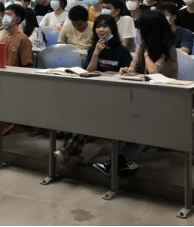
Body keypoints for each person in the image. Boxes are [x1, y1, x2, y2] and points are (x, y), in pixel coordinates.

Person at [93, 11, 179, 179]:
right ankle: (123, 162)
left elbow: (154, 72)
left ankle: (117, 161)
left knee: (143, 122)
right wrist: (128, 70)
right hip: (143, 95)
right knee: (126, 118)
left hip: (165, 98)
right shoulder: (143, 45)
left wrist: (146, 52)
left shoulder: (169, 49)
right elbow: (135, 66)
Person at [55, 15, 132, 169]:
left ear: (112, 29)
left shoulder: (122, 51)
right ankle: (71, 154)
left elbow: (126, 74)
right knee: (76, 111)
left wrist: (110, 73)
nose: (101, 30)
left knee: (88, 114)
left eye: (105, 26)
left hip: (114, 96)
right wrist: (96, 53)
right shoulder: (94, 48)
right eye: (98, 26)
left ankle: (68, 151)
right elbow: (89, 71)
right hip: (94, 93)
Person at [0, 4, 34, 68]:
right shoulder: (3, 38)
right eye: (5, 14)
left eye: (9, 14)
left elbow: (27, 65)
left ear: (17, 19)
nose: (5, 17)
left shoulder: (23, 39)